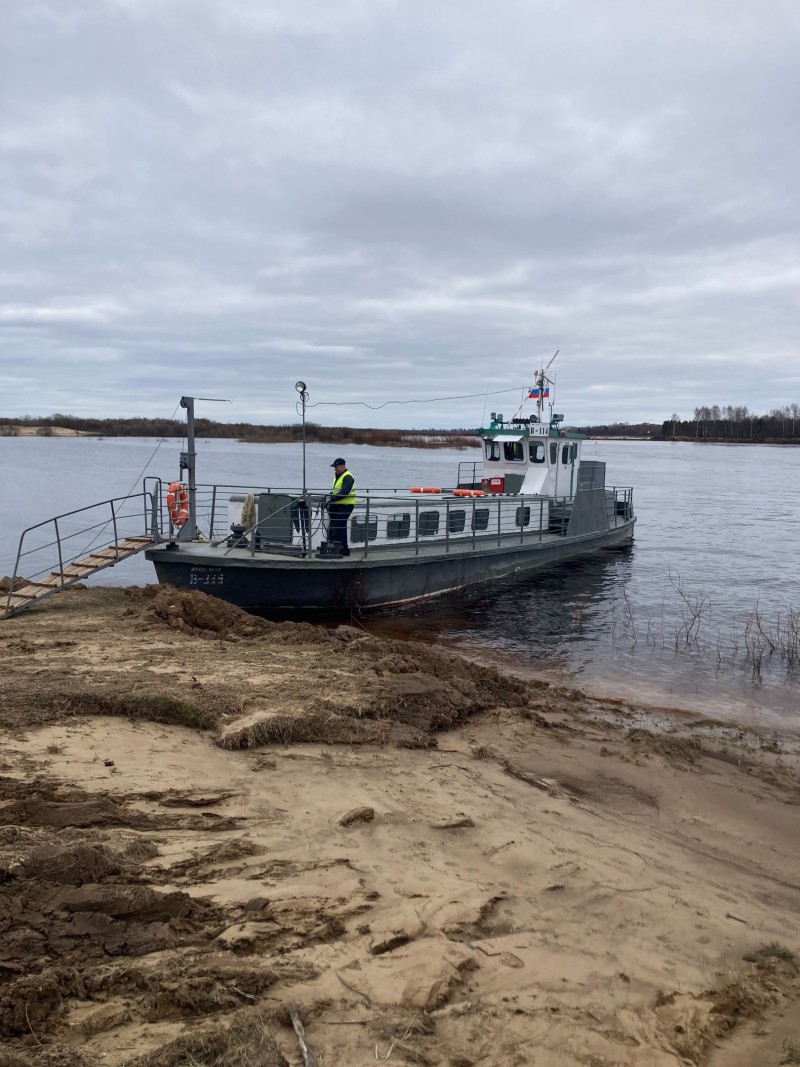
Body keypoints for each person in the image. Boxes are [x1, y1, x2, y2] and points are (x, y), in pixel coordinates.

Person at [328, 458, 356, 556]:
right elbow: (336, 490)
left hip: (346, 505)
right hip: (337, 505)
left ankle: (343, 549)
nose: (334, 469)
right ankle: (339, 548)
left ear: (342, 466)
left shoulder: (348, 477)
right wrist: (329, 496)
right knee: (338, 526)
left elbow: (344, 492)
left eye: (336, 467)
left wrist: (332, 498)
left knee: (339, 526)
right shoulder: (338, 476)